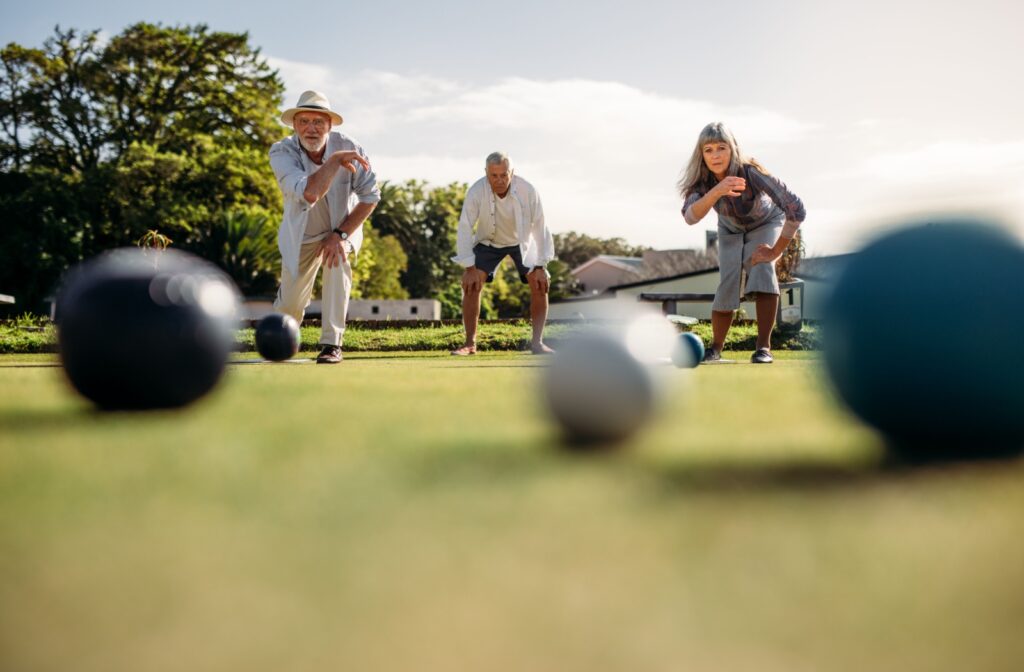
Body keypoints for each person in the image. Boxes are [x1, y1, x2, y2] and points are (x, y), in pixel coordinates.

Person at [679, 122, 805, 364]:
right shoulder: (701, 181)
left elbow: (795, 209)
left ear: (733, 149)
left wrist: (775, 251)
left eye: (721, 148)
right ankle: (715, 349)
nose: (715, 155)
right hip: (730, 229)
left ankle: (763, 348)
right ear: (701, 154)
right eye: (709, 150)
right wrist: (717, 191)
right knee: (728, 281)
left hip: (765, 223)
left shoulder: (751, 172)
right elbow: (690, 217)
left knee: (761, 268)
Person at [268, 90, 380, 364]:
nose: (311, 128)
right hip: (302, 234)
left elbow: (371, 197)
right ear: (295, 125)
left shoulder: (352, 146)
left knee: (337, 260)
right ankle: (284, 340)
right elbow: (309, 193)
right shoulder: (282, 151)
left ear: (330, 125)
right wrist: (333, 162)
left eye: (318, 122)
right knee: (290, 304)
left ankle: (332, 344)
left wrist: (341, 234)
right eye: (304, 121)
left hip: (339, 229)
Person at [451, 152, 556, 356]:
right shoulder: (476, 191)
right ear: (486, 173)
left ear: (512, 173)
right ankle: (470, 344)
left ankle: (537, 343)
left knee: (539, 283)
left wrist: (542, 266)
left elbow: (541, 226)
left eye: (503, 175)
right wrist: (469, 268)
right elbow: (465, 227)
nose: (499, 180)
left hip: (521, 242)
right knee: (471, 284)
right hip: (488, 242)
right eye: (494, 175)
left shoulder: (528, 190)